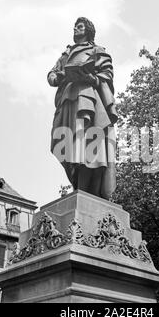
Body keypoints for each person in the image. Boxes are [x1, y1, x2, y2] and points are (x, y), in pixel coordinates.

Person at [47, 17, 117, 199]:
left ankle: (85, 191)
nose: (75, 29)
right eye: (75, 27)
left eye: (79, 27)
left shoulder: (96, 50)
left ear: (88, 30)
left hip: (87, 101)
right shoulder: (65, 54)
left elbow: (107, 74)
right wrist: (57, 77)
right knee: (67, 145)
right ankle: (79, 188)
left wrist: (90, 78)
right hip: (67, 101)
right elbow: (52, 74)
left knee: (86, 145)